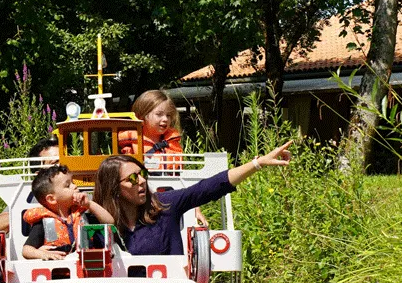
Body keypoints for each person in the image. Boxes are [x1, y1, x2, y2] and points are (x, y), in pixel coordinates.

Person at [92, 141, 292, 256]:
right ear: (114, 189)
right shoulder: (98, 226)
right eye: (133, 178)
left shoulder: (164, 205)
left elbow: (210, 187)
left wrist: (258, 164)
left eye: (142, 173)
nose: (142, 181)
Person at [119, 89, 208, 226]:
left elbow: (183, 182)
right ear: (142, 115)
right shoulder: (131, 145)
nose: (165, 119)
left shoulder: (173, 143)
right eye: (159, 114)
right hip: (142, 206)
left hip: (171, 201)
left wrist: (195, 209)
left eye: (168, 115)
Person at [22, 164, 114, 260]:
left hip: (87, 267)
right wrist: (42, 254)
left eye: (73, 182)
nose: (74, 186)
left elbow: (110, 223)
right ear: (51, 199)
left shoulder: (82, 213)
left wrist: (90, 204)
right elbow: (26, 250)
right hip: (61, 270)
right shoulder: (44, 222)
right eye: (68, 185)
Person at [0, 136, 60, 233]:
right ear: (38, 174)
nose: (62, 166)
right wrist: (32, 213)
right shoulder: (27, 197)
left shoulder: (80, 189)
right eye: (55, 163)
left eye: (64, 160)